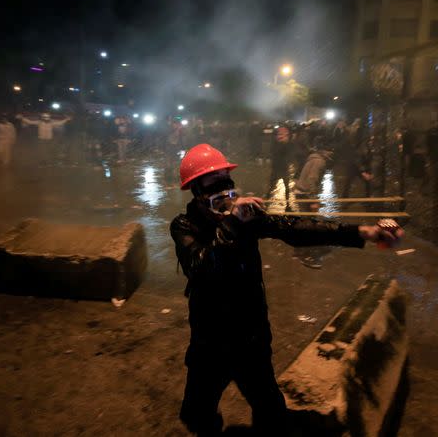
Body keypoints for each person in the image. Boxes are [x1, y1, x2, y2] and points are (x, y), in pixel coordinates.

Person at [170, 144, 403, 435]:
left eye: (226, 181)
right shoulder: (184, 226)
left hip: (250, 337)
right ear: (196, 191)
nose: (225, 190)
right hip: (210, 342)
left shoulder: (245, 221)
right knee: (196, 415)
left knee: (270, 410)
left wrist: (362, 232)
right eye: (214, 183)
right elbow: (201, 267)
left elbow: (296, 228)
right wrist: (231, 223)